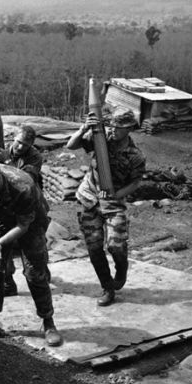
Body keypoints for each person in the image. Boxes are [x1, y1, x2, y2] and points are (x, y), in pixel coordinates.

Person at [0, 157, 62, 347]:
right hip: (1, 215)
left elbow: (22, 226)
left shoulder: (23, 187)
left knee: (35, 273)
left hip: (31, 222)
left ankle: (48, 323)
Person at [65, 106, 146, 307]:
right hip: (89, 197)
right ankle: (107, 287)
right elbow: (71, 145)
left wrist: (116, 195)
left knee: (116, 246)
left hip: (114, 203)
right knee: (94, 247)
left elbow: (135, 182)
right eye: (111, 126)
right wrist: (84, 128)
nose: (112, 130)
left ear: (129, 128)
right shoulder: (101, 140)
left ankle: (121, 267)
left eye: (118, 127)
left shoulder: (135, 156)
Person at [0, 125, 44, 296]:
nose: (21, 147)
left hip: (29, 204)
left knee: (34, 250)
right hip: (6, 207)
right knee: (2, 247)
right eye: (19, 142)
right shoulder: (2, 152)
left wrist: (4, 162)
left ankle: (41, 270)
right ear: (13, 138)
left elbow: (25, 178)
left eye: (25, 145)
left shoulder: (35, 157)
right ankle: (8, 282)